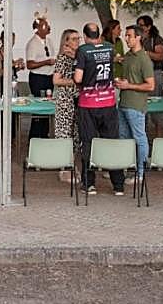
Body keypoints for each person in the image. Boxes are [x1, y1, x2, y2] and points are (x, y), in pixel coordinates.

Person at [74, 23, 123, 196]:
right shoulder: (109, 48)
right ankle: (118, 185)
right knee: (111, 141)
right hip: (108, 101)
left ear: (85, 36)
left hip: (88, 103)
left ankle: (89, 184)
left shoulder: (83, 50)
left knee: (88, 142)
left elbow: (78, 78)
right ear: (99, 34)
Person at [115, 24, 155, 180]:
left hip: (136, 105)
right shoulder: (128, 56)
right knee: (124, 137)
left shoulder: (144, 59)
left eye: (129, 36)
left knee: (139, 137)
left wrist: (128, 85)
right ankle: (126, 168)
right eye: (126, 35)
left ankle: (141, 172)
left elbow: (150, 85)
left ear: (138, 37)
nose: (126, 38)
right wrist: (120, 83)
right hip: (123, 102)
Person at [51, 29, 81, 180]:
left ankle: (71, 165)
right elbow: (56, 80)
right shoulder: (62, 58)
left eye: (78, 38)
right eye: (74, 39)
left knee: (74, 135)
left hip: (76, 100)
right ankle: (64, 169)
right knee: (64, 134)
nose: (77, 41)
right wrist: (74, 81)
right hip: (65, 100)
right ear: (66, 41)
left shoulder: (77, 58)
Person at [24, 18, 55, 139]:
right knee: (39, 107)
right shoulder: (32, 44)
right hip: (38, 78)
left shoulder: (49, 41)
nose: (48, 27)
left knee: (47, 105)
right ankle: (35, 136)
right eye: (45, 25)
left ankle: (45, 134)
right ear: (37, 29)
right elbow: (30, 64)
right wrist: (46, 62)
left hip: (49, 77)